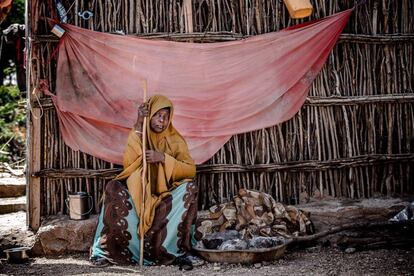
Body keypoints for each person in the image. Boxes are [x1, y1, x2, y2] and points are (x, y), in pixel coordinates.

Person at [90, 95, 199, 269]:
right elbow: (130, 163)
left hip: (164, 197)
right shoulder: (139, 134)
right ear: (150, 115)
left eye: (165, 117)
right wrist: (140, 122)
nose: (162, 121)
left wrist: (164, 158)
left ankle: (171, 249)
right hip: (139, 194)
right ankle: (107, 251)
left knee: (190, 188)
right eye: (158, 115)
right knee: (113, 188)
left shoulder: (175, 140)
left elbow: (190, 169)